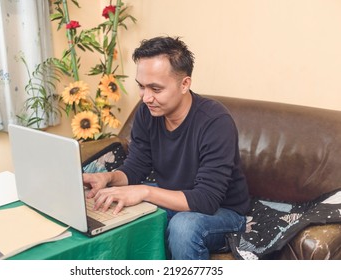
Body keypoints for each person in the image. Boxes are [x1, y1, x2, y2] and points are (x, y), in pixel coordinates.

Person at [83, 36, 250, 260]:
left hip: (224, 211)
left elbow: (206, 200)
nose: (146, 97)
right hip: (174, 197)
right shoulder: (147, 112)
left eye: (156, 89)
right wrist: (109, 178)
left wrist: (145, 191)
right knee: (112, 205)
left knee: (184, 227)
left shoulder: (215, 121)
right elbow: (136, 166)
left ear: (184, 84)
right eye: (141, 87)